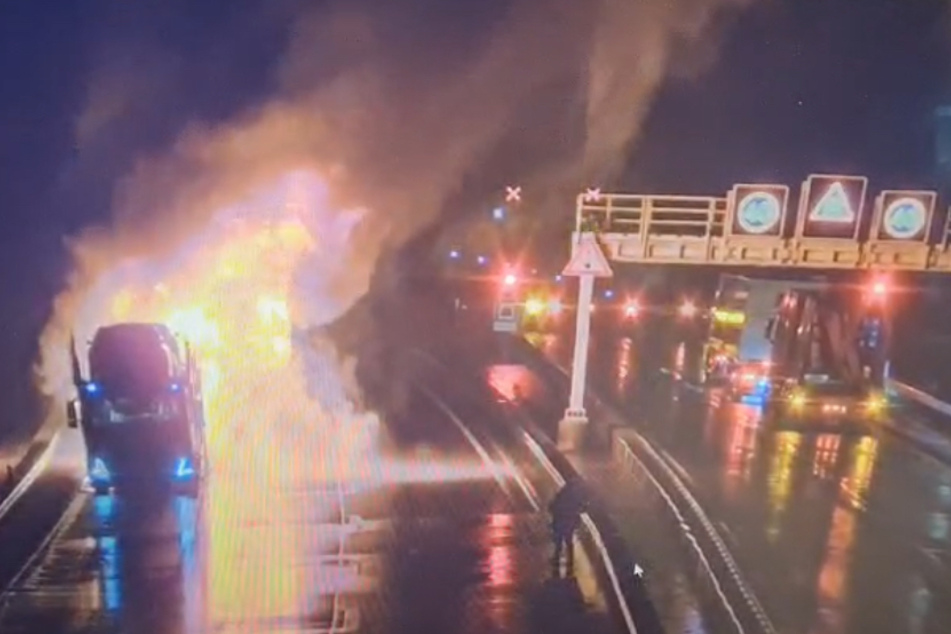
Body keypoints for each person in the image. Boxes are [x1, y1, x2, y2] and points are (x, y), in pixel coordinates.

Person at [549, 477, 588, 574]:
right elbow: (581, 507)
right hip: (568, 521)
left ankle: (557, 559)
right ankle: (569, 560)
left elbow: (553, 505)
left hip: (561, 520)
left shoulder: (562, 494)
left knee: (559, 541)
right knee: (568, 540)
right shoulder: (574, 496)